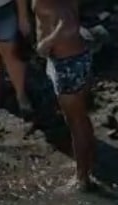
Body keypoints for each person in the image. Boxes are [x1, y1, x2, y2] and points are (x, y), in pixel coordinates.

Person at [33, 0, 95, 190]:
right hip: (77, 55)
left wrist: (45, 43)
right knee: (81, 117)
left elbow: (68, 23)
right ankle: (87, 164)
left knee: (75, 122)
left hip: (66, 63)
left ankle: (82, 178)